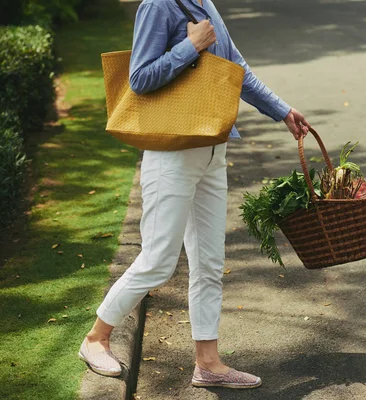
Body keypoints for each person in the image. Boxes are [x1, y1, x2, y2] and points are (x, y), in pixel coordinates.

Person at [78, 0, 310, 389]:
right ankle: (96, 338)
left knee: (208, 261)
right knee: (158, 260)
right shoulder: (158, 5)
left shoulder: (206, 3)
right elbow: (138, 78)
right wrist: (191, 46)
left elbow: (237, 70)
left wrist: (282, 110)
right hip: (172, 153)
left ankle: (208, 362)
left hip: (212, 147)